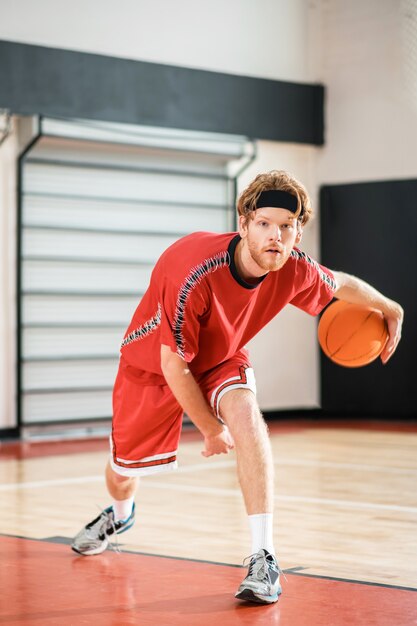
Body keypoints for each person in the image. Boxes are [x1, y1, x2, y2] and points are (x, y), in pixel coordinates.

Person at [71, 170, 403, 604]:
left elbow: (338, 282)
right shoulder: (193, 270)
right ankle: (119, 514)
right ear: (243, 223)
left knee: (248, 420)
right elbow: (173, 364)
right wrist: (209, 427)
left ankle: (263, 556)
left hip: (222, 356)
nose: (275, 235)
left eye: (286, 226)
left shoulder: (293, 266)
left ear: (298, 232)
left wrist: (390, 306)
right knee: (123, 475)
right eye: (264, 223)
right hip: (152, 364)